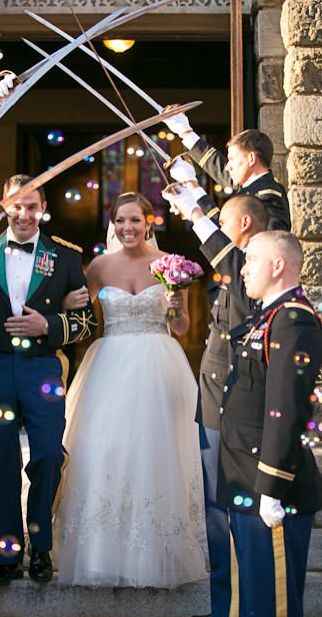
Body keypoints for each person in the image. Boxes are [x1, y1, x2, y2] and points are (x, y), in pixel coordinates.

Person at [0, 174, 97, 587]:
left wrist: (47, 325)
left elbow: (87, 321)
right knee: (1, 463)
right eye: (16, 205)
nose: (24, 214)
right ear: (2, 208)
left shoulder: (65, 256)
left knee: (49, 455)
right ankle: (7, 555)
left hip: (42, 370)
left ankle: (41, 546)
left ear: (43, 210)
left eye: (32, 206)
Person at [55, 192, 206, 588]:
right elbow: (79, 312)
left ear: (149, 223)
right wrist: (68, 301)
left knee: (157, 451)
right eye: (121, 220)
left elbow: (182, 327)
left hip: (160, 362)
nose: (128, 228)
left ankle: (156, 551)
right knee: (106, 449)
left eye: (135, 220)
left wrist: (174, 304)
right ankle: (105, 551)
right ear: (112, 223)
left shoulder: (170, 266)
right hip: (111, 365)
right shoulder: (100, 266)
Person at [162, 186, 270, 615]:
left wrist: (193, 209)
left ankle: (240, 605)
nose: (217, 231)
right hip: (212, 403)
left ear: (244, 224)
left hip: (234, 410)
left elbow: (230, 260)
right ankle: (223, 604)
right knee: (215, 515)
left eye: (223, 222)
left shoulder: (253, 268)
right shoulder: (238, 270)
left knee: (231, 515)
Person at [219, 231, 322, 615]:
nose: (243, 270)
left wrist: (273, 487)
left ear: (277, 266)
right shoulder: (269, 314)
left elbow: (288, 408)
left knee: (272, 603)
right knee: (250, 597)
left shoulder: (294, 321)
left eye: (251, 260)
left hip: (269, 487)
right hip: (244, 479)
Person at [163, 114, 289, 231]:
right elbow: (219, 168)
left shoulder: (267, 196)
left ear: (251, 159)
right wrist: (185, 132)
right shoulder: (254, 186)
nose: (228, 167)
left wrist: (193, 198)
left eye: (232, 159)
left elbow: (230, 238)